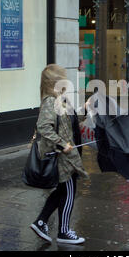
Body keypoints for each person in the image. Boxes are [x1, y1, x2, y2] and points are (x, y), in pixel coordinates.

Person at [31, 64, 89, 245]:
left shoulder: (60, 100)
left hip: (68, 155)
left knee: (62, 191)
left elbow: (70, 122)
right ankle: (63, 232)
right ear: (54, 82)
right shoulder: (50, 101)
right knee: (69, 191)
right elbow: (43, 127)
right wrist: (63, 144)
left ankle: (41, 222)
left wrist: (85, 110)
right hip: (63, 157)